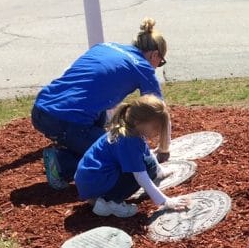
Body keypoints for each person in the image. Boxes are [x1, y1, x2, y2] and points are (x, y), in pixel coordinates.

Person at [31, 18, 172, 190]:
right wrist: (164, 148)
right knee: (115, 153)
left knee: (102, 130)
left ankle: (73, 145)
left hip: (42, 108)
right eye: (160, 62)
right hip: (65, 119)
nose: (157, 67)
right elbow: (159, 112)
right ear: (154, 55)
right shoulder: (143, 67)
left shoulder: (105, 47)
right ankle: (62, 163)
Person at [74, 95, 189, 218]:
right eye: (156, 127)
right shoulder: (129, 141)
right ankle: (109, 202)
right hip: (96, 183)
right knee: (145, 168)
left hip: (90, 180)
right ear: (138, 122)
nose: (158, 131)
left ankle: (99, 199)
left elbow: (146, 152)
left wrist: (160, 172)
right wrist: (165, 202)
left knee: (148, 163)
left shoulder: (128, 129)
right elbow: (141, 176)